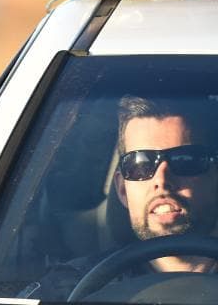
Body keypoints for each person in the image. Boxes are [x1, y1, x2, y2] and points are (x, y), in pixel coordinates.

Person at [21, 95, 218, 299]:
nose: (161, 179)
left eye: (185, 159)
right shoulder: (68, 288)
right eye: (139, 164)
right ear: (122, 190)